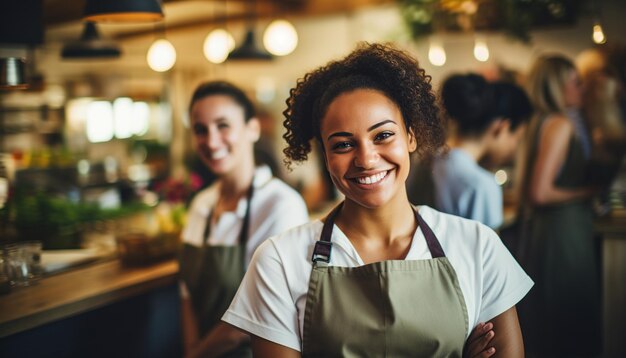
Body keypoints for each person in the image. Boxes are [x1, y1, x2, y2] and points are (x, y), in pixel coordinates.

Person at [222, 43, 533, 357]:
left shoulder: (478, 246)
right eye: (343, 144)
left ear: (411, 136)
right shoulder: (279, 261)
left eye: (383, 135)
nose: (367, 159)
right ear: (326, 156)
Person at [178, 81, 309, 358]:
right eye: (201, 130)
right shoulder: (202, 203)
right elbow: (187, 292)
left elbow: (256, 311)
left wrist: (196, 355)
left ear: (252, 129)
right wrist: (190, 350)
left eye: (223, 125)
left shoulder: (281, 205)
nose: (211, 141)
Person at [516, 54, 602, 357]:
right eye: (575, 82)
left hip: (553, 229)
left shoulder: (541, 121)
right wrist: (586, 192)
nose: (582, 89)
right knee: (567, 319)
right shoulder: (560, 124)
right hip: (562, 231)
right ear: (557, 86)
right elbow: (539, 193)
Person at [432, 74, 532, 229]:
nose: (514, 149)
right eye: (517, 139)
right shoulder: (482, 185)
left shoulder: (429, 158)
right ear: (501, 128)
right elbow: (488, 251)